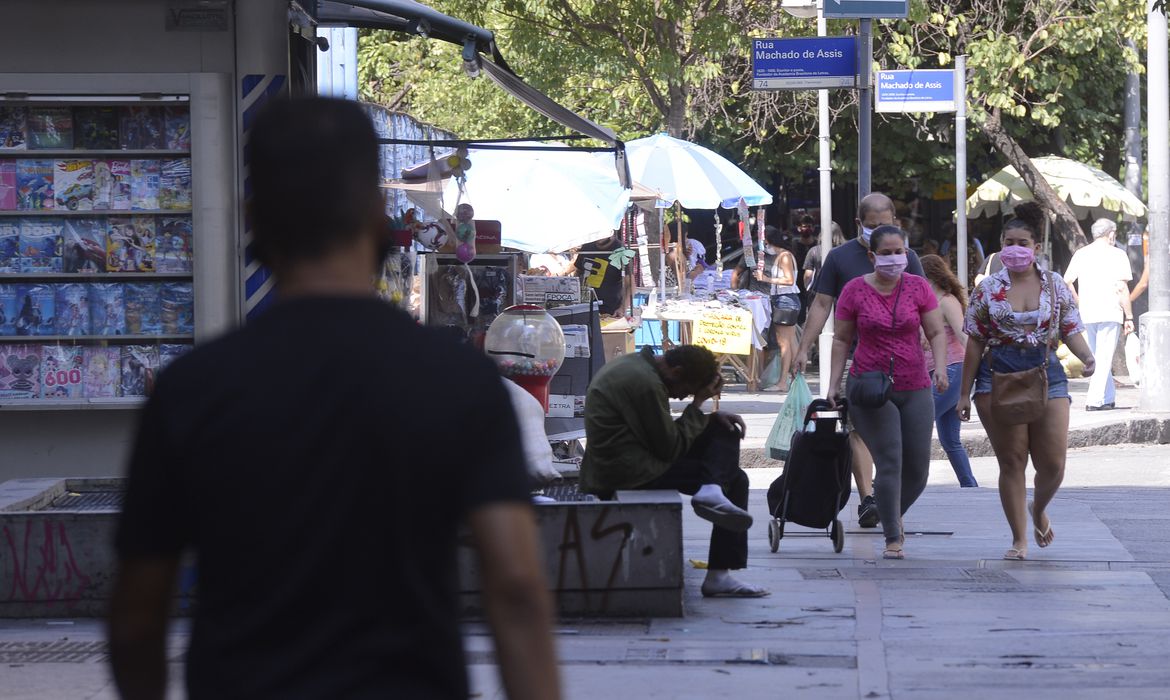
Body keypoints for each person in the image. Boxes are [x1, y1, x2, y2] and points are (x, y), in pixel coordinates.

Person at [107, 98, 560, 700]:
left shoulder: (191, 391)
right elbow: (518, 589)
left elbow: (138, 614)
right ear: (378, 217)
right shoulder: (461, 385)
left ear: (253, 219)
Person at [958, 202, 1096, 561]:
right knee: (1012, 459)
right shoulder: (987, 288)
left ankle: (1038, 508)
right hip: (997, 374)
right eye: (1008, 242)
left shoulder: (1055, 286)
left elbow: (1071, 328)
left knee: (1053, 463)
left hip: (1047, 372)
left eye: (1022, 242)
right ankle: (1019, 538)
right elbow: (974, 340)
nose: (1014, 249)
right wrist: (963, 393)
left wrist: (1088, 357)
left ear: (1036, 248)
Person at [580, 344, 769, 598]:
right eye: (686, 391)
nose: (680, 398)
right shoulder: (645, 383)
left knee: (723, 429)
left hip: (635, 457)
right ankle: (718, 571)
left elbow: (662, 436)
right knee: (735, 480)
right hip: (626, 472)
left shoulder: (638, 366)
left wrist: (706, 418)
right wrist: (698, 404)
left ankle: (712, 490)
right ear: (676, 371)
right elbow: (669, 448)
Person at [791, 192, 926, 529]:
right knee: (858, 430)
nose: (879, 230)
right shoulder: (839, 258)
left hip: (904, 364)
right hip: (857, 356)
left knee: (901, 452)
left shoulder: (907, 256)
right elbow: (822, 304)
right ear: (858, 225)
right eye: (871, 225)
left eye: (885, 223)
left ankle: (886, 499)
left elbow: (925, 302)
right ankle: (868, 497)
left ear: (896, 220)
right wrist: (803, 347)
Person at [827, 226, 950, 559]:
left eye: (900, 252)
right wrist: (832, 386)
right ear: (872, 256)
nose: (895, 258)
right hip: (869, 385)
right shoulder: (854, 291)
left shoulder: (918, 287)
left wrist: (940, 368)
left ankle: (885, 513)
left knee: (918, 471)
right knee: (891, 459)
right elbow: (840, 340)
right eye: (887, 252)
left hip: (915, 384)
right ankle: (893, 537)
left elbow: (936, 331)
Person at [1062, 218, 1134, 410]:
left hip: (1087, 311)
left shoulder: (1081, 254)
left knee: (1099, 355)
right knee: (1103, 357)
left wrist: (1078, 301)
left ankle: (1108, 399)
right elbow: (1122, 287)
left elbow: (1067, 282)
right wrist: (1129, 316)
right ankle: (1093, 401)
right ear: (1111, 234)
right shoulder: (1118, 254)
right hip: (1110, 311)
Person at [920, 254, 978, 487]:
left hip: (953, 371)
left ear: (930, 276)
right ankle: (970, 486)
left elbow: (964, 336)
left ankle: (904, 480)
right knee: (950, 440)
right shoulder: (926, 302)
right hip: (937, 372)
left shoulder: (946, 301)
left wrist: (979, 368)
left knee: (918, 425)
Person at [755, 226, 800, 392]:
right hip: (785, 299)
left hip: (785, 299)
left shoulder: (785, 256)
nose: (765, 247)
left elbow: (789, 280)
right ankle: (796, 378)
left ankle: (782, 382)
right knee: (791, 342)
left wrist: (766, 279)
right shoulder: (782, 256)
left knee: (784, 343)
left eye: (766, 243)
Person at [574, 233, 631, 317]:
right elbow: (578, 272)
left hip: (610, 311)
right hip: (584, 307)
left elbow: (630, 284)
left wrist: (622, 308)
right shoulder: (587, 246)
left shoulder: (620, 250)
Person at [801, 221, 845, 294]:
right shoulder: (846, 249)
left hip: (820, 291)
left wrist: (807, 287)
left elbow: (808, 275)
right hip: (842, 289)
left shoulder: (814, 251)